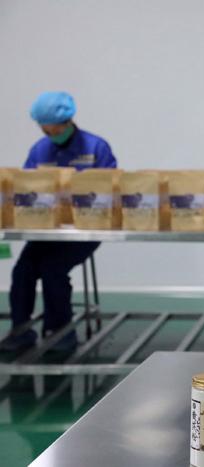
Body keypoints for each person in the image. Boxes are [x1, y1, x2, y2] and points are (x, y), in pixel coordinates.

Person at [0, 92, 117, 352]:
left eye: (56, 129)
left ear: (69, 121)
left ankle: (61, 330)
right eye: (46, 129)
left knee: (52, 269)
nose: (52, 134)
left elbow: (112, 189)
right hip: (47, 232)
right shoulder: (39, 150)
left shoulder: (96, 148)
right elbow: (25, 187)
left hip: (84, 233)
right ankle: (20, 330)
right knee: (23, 270)